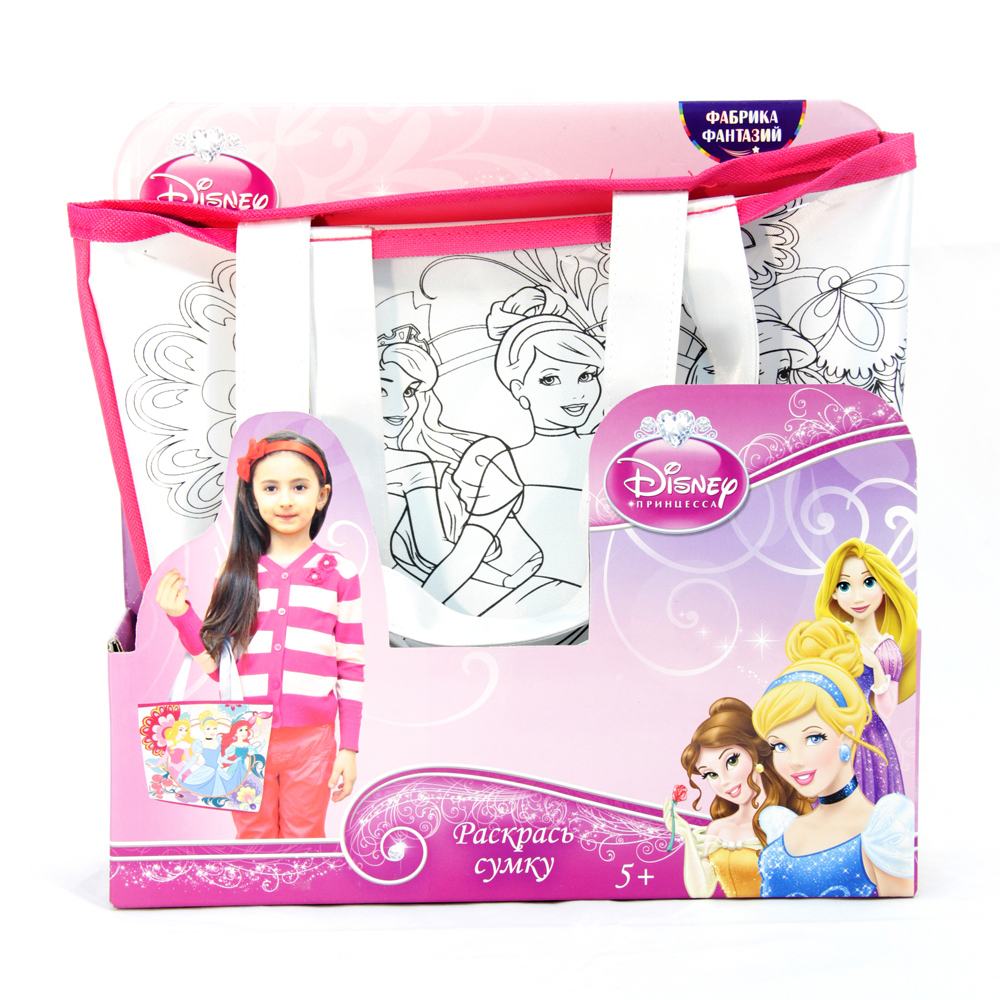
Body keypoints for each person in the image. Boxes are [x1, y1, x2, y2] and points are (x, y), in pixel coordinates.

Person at [156, 430, 364, 839]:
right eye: (270, 488)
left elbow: (351, 667)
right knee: (252, 840)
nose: (285, 500)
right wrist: (181, 617)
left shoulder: (341, 572)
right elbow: (220, 667)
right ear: (252, 497)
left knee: (305, 839)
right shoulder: (235, 573)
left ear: (322, 495)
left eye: (299, 487)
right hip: (244, 735)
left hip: (314, 741)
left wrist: (349, 748)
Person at [421, 286, 604, 618]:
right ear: (519, 389)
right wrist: (416, 615)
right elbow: (467, 553)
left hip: (628, 597)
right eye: (550, 379)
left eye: (586, 375)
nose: (575, 392)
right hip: (554, 605)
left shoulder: (611, 443)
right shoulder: (505, 463)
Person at [752, 619, 915, 897]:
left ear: (848, 737)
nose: (795, 760)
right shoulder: (782, 827)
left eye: (814, 738)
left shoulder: (882, 834)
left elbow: (900, 914)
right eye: (779, 745)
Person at [668, 698, 809, 898]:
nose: (724, 781)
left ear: (755, 752)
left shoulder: (783, 821)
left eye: (732, 761)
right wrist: (686, 835)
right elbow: (701, 892)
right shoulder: (717, 828)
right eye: (711, 774)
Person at [815, 538, 918, 801]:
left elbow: (887, 710)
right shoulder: (833, 639)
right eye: (844, 586)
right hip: (830, 732)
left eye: (868, 582)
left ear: (884, 586)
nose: (858, 597)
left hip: (870, 737)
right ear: (833, 593)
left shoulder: (888, 651)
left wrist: (874, 665)